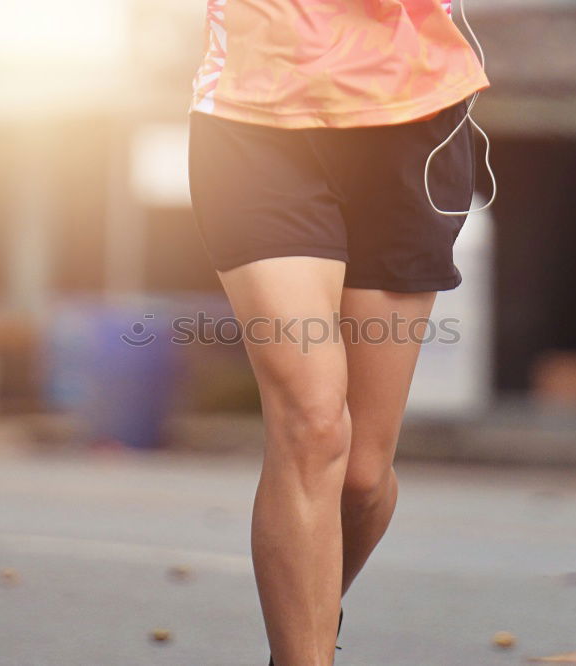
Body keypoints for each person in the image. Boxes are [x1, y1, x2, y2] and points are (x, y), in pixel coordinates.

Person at [186, 1, 489, 663]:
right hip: (255, 118)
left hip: (414, 119)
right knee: (314, 420)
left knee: (361, 479)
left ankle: (306, 634)